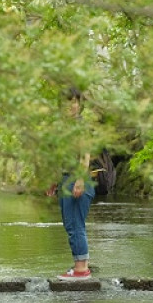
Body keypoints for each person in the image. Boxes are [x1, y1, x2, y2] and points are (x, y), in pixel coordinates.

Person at [52, 89, 95, 279]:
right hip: (65, 179)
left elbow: (85, 155)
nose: (71, 106)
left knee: (76, 224)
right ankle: (80, 266)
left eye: (74, 102)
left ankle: (81, 270)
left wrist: (79, 179)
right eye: (67, 103)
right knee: (71, 224)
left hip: (77, 179)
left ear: (79, 104)